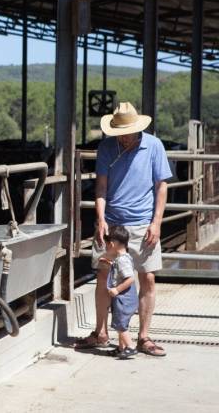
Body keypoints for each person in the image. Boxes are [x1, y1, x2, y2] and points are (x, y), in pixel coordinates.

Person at [75, 102, 172, 356]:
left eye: (127, 132)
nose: (123, 136)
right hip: (113, 222)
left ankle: (143, 337)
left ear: (137, 128)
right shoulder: (107, 147)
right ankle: (101, 332)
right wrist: (100, 218)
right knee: (103, 276)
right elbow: (101, 188)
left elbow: (161, 186)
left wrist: (156, 222)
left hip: (143, 223)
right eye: (119, 132)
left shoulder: (153, 146)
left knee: (147, 277)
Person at [101, 226, 139, 359]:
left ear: (112, 244)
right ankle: (121, 347)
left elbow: (130, 278)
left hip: (124, 298)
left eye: (107, 245)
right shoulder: (123, 257)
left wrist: (117, 289)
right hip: (124, 298)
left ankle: (130, 347)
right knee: (121, 322)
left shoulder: (122, 260)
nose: (106, 247)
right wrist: (109, 263)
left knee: (120, 325)